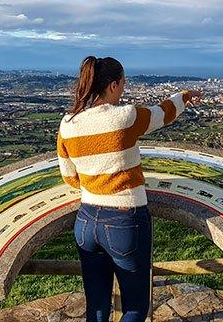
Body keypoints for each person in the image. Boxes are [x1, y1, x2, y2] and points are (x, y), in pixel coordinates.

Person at [56, 56, 202, 322]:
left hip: (86, 220)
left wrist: (95, 186)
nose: (123, 88)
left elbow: (69, 177)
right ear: (112, 85)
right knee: (135, 307)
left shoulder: (68, 125)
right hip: (125, 220)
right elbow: (162, 113)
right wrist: (184, 96)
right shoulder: (126, 117)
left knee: (96, 308)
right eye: (122, 83)